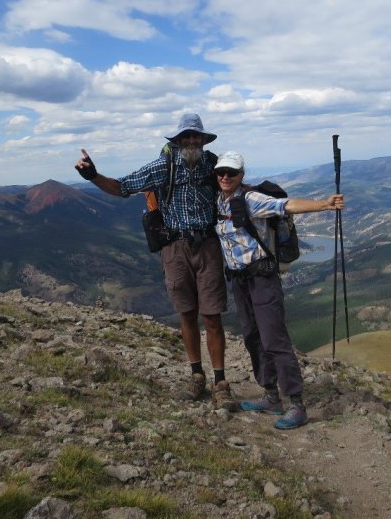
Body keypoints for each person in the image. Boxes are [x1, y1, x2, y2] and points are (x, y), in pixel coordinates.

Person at [74, 113, 237, 411]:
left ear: (203, 139)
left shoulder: (213, 164)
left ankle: (221, 382)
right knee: (187, 313)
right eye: (186, 136)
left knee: (212, 316)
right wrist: (93, 175)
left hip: (208, 245)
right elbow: (122, 187)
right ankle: (196, 375)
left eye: (196, 136)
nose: (191, 140)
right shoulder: (164, 166)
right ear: (178, 140)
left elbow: (234, 185)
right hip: (175, 248)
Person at [212, 150, 344, 429]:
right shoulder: (219, 201)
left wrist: (324, 204)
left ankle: (297, 404)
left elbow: (286, 205)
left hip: (262, 278)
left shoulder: (251, 199)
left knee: (274, 339)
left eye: (231, 172)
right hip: (240, 281)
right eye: (220, 172)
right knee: (252, 337)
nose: (225, 176)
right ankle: (271, 396)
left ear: (241, 175)